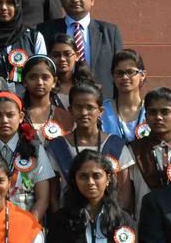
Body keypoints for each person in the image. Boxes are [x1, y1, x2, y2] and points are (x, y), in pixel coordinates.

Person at [45, 79, 135, 211]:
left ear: (101, 111)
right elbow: (53, 195)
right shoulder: (57, 146)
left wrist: (115, 220)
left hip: (108, 221)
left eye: (90, 107)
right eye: (78, 107)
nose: (84, 113)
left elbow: (125, 192)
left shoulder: (116, 145)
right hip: (70, 220)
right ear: (70, 110)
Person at [39, 0, 124, 100]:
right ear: (61, 1)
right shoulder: (45, 31)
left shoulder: (110, 32)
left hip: (102, 103)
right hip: (57, 101)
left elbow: (120, 69)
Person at [0, 91, 56, 222]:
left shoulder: (35, 150)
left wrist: (26, 228)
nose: (4, 120)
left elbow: (43, 199)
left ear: (21, 117)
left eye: (10, 115)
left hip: (27, 223)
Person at [128, 86, 171, 213]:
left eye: (165, 112)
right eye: (152, 112)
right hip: (144, 222)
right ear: (146, 117)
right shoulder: (133, 150)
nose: (158, 117)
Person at [21, 54, 73, 137]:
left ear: (54, 82)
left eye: (45, 77)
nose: (39, 83)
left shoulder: (64, 117)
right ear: (24, 81)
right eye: (32, 77)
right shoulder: (17, 115)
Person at [102, 49, 148, 141]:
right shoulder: (102, 111)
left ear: (142, 75)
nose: (125, 77)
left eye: (130, 72)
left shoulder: (150, 110)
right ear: (113, 77)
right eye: (119, 73)